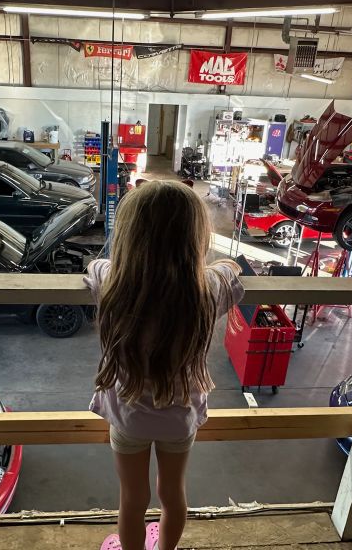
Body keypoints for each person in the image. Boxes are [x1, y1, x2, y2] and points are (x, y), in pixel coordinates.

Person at [84, 180, 244, 550]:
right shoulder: (206, 288)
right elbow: (230, 271)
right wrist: (226, 263)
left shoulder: (114, 283)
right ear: (195, 237)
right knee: (173, 494)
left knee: (132, 499)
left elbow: (96, 266)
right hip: (180, 417)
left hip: (128, 416)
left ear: (129, 236)